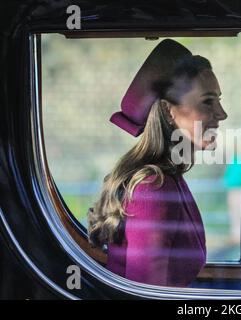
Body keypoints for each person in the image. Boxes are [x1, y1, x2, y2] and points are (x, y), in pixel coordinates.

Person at [87, 39, 228, 287]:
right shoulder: (154, 187)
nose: (222, 113)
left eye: (219, 99)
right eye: (208, 101)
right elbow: (148, 293)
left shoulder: (169, 179)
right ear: (168, 111)